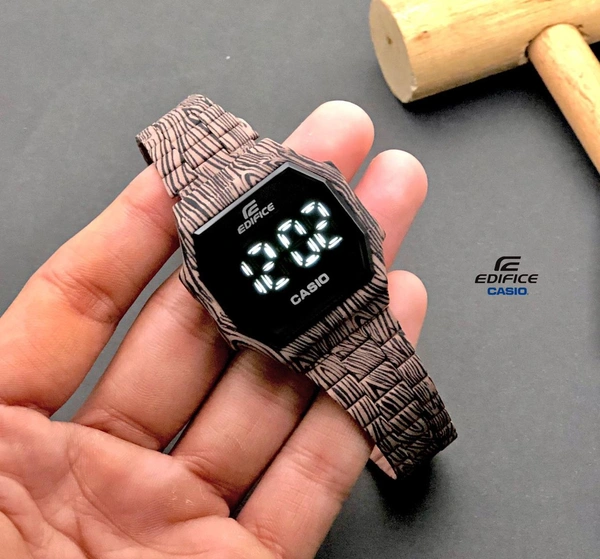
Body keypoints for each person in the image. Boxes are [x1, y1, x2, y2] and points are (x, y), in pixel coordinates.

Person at [0, 101, 429, 558]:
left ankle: (414, 438)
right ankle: (413, 439)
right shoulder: (217, 259)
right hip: (298, 336)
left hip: (356, 297)